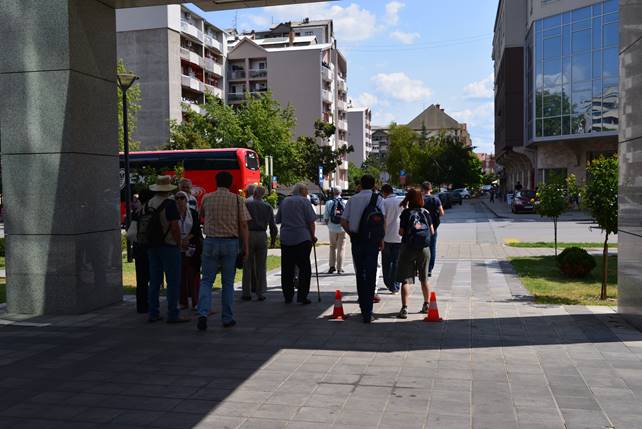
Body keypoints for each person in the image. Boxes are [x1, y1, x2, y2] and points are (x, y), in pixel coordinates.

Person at [197, 172, 251, 330]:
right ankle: (227, 318)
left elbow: (202, 215)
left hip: (211, 241)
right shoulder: (237, 199)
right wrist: (245, 247)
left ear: (216, 182)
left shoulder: (207, 197)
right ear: (230, 183)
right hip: (230, 243)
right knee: (228, 282)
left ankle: (202, 313)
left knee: (206, 280)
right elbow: (243, 225)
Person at [341, 175, 385, 323]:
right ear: (373, 185)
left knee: (360, 273)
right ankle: (368, 311)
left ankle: (362, 306)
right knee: (371, 274)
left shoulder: (352, 199)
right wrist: (381, 239)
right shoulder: (378, 199)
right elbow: (382, 221)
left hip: (357, 241)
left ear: (360, 184)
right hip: (372, 241)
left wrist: (351, 234)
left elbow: (343, 220)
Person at [144, 175, 188, 323]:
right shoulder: (170, 204)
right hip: (169, 246)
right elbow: (175, 227)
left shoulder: (148, 203)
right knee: (173, 281)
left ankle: (153, 312)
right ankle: (173, 314)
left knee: (154, 281)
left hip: (152, 246)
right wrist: (179, 243)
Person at [396, 188, 434, 319]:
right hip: (424, 248)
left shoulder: (406, 213)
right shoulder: (426, 212)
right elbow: (432, 231)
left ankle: (404, 308)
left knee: (405, 280)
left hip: (408, 247)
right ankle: (426, 305)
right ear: (420, 199)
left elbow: (401, 232)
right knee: (424, 279)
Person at [276, 183, 317, 304]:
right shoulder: (305, 202)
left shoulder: (284, 201)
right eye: (306, 190)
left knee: (287, 268)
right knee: (304, 268)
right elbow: (311, 221)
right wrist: (313, 236)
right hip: (302, 239)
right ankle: (302, 296)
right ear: (302, 191)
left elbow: (278, 219)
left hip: (286, 239)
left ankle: (288, 296)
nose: (307, 192)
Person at [243, 185, 278, 301]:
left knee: (247, 264)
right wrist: (273, 240)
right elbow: (273, 226)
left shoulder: (247, 204)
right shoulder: (267, 206)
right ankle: (260, 292)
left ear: (254, 193)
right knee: (261, 266)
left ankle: (246, 292)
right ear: (263, 195)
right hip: (262, 235)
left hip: (249, 234)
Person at [176, 191, 202, 310]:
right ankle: (183, 302)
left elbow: (196, 230)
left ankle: (196, 302)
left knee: (194, 275)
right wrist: (180, 241)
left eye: (182, 198)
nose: (180, 200)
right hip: (177, 247)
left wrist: (187, 238)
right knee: (180, 276)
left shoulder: (193, 213)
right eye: (177, 198)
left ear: (186, 200)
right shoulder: (173, 214)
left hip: (192, 248)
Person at [381, 184, 402, 294]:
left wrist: (381, 236)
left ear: (384, 192)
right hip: (399, 236)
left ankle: (389, 283)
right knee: (396, 261)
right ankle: (396, 285)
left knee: (386, 262)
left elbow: (383, 220)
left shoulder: (384, 203)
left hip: (387, 236)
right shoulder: (400, 201)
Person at [421, 181, 444, 277]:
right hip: (433, 227)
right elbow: (442, 213)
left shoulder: (420, 199)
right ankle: (429, 269)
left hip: (421, 228)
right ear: (430, 189)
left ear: (422, 189)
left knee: (421, 247)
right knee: (432, 248)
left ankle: (422, 268)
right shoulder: (435, 199)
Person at [323, 186, 346, 274]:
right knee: (341, 248)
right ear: (341, 192)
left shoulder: (329, 202)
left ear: (333, 193)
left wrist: (329, 225)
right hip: (342, 228)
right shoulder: (345, 202)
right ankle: (340, 268)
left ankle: (332, 266)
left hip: (332, 228)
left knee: (332, 247)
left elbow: (326, 217)